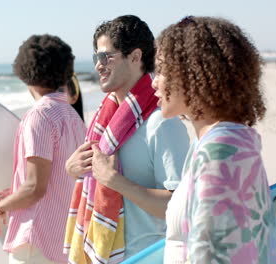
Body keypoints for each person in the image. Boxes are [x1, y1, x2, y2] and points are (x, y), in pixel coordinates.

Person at [64, 15, 190, 263]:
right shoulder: (104, 122)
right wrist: (72, 170)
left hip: (147, 256)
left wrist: (114, 181)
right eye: (96, 58)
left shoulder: (162, 123)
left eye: (106, 56)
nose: (98, 65)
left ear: (135, 57)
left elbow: (179, 207)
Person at [153, 16, 276, 263]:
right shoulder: (227, 142)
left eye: (161, 70)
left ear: (191, 74)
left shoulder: (219, 153)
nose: (154, 82)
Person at [0, 34, 87, 263]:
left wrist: (1, 208)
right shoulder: (74, 118)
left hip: (38, 240)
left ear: (26, 73)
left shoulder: (39, 115)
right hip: (65, 238)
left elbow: (35, 188)